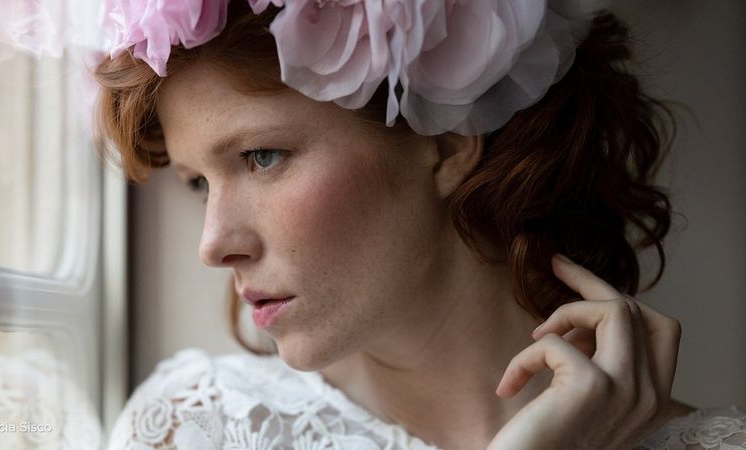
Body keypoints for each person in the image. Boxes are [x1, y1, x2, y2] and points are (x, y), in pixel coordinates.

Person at [95, 1, 746, 449]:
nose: (213, 245)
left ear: (448, 140)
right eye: (198, 183)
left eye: (262, 156)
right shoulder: (196, 428)